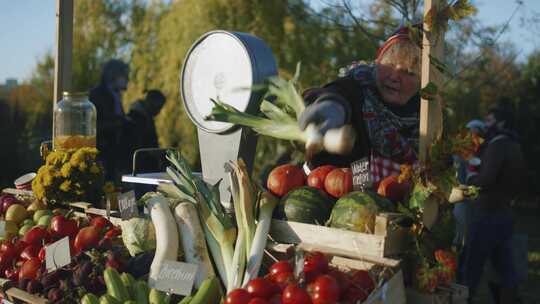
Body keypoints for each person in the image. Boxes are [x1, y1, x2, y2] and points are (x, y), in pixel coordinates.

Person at [299, 25, 422, 186]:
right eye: (390, 65)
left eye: (409, 72)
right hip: (331, 193)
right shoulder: (356, 88)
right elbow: (338, 92)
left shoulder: (425, 120)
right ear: (377, 62)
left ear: (422, 82)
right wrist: (332, 106)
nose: (394, 77)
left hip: (395, 205)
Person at [459, 103, 525, 303]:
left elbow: (487, 179)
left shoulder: (498, 144)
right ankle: (509, 298)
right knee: (504, 266)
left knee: (472, 264)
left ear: (501, 122)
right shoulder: (515, 145)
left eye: (489, 120)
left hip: (488, 213)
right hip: (504, 212)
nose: (486, 125)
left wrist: (470, 178)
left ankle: (463, 298)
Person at [89, 59, 129, 181]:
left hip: (114, 153)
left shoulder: (115, 95)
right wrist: (118, 123)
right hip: (103, 152)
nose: (127, 79)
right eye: (124, 75)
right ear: (113, 75)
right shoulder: (97, 94)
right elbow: (93, 125)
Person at [452, 119, 485, 249]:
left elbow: (477, 185)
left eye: (476, 135)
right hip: (453, 200)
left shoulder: (479, 159)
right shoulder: (456, 154)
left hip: (469, 203)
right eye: (470, 134)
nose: (472, 138)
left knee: (467, 235)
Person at [123, 89, 166, 174]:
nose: (159, 111)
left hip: (143, 166)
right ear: (150, 103)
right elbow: (139, 144)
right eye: (158, 107)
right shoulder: (137, 119)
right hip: (139, 168)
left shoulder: (146, 117)